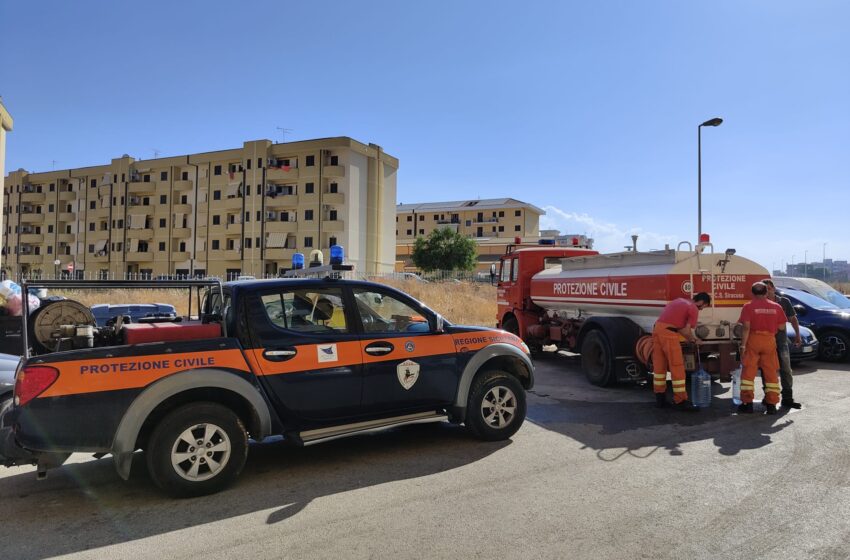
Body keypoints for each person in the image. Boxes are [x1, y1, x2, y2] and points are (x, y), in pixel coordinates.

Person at [652, 292, 712, 410]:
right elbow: (686, 330)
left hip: (657, 330)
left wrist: (688, 337)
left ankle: (660, 399)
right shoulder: (693, 308)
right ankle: (680, 400)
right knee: (677, 367)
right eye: (704, 307)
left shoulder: (678, 300)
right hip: (669, 335)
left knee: (659, 367)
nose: (702, 309)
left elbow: (676, 324)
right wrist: (694, 340)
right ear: (702, 302)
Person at [737, 282, 786, 415]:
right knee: (771, 373)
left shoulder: (748, 306)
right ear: (766, 293)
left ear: (752, 293)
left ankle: (747, 404)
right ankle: (771, 405)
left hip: (753, 340)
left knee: (748, 373)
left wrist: (742, 345)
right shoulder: (777, 307)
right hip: (770, 341)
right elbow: (781, 327)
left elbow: (746, 327)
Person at [763, 278, 803, 409]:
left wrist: (798, 336)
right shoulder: (760, 303)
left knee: (786, 370)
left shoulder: (784, 302)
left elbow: (793, 319)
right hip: (765, 343)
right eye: (765, 290)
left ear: (773, 289)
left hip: (781, 342)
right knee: (767, 371)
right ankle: (768, 397)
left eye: (769, 289)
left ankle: (787, 398)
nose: (767, 292)